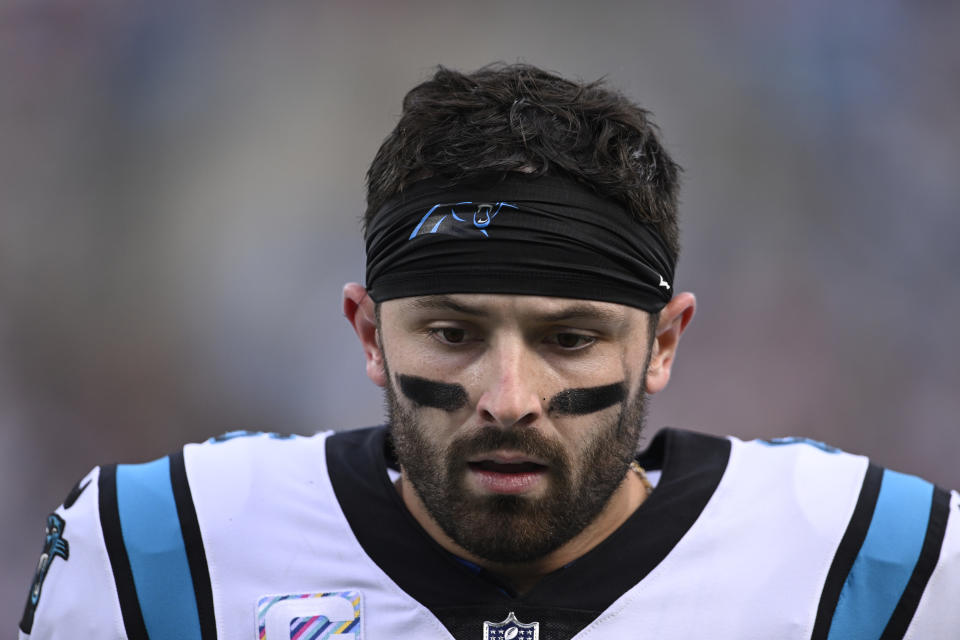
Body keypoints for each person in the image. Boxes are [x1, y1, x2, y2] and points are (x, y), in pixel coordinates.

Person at [19, 63, 958, 640]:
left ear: (664, 341)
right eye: (454, 332)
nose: (509, 397)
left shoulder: (873, 567)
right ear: (367, 332)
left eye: (570, 338)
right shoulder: (162, 552)